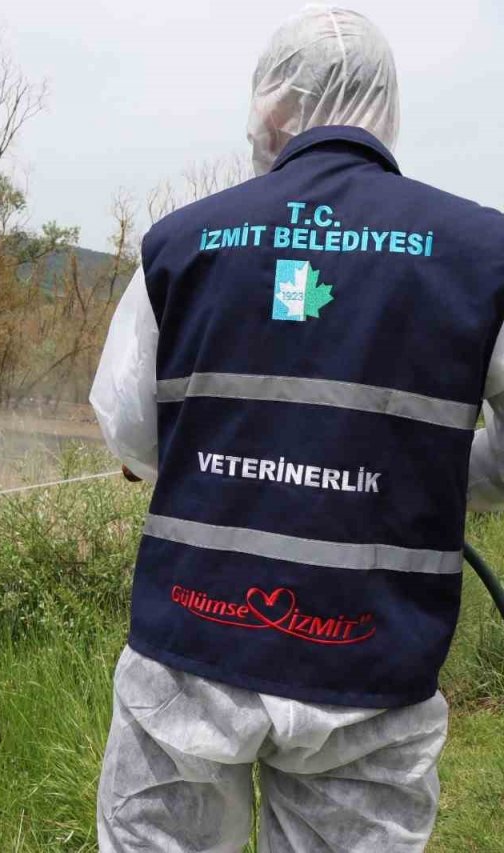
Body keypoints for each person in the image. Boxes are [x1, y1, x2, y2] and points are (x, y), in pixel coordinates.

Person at [90, 6, 504, 851]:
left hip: (191, 649)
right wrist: (418, 471)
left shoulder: (183, 242)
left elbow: (128, 424)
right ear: (386, 112)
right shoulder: (481, 255)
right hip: (368, 659)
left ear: (271, 110)